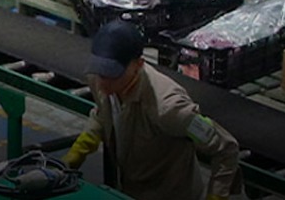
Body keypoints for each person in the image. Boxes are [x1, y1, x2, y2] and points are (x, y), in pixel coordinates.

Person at [63, 21, 241, 200]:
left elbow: (226, 149)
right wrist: (81, 147)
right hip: (127, 189)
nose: (103, 83)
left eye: (112, 74)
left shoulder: (170, 108)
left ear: (138, 65)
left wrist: (216, 196)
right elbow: (105, 111)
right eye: (100, 73)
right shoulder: (99, 78)